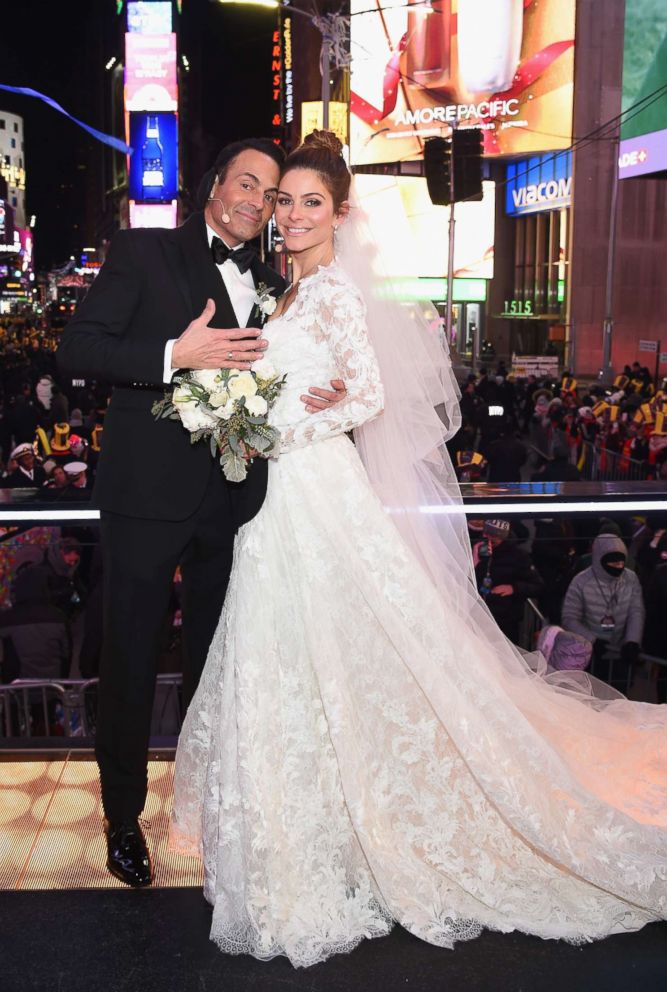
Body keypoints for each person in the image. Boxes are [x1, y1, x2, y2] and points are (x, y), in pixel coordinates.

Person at [172, 133, 667, 967]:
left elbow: (364, 392)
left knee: (337, 651)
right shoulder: (282, 294)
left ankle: (348, 839)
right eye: (283, 202)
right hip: (280, 501)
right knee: (296, 657)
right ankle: (317, 833)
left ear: (339, 214)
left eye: (309, 203)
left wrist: (264, 430)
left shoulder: (329, 294)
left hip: (313, 490)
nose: (290, 216)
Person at [57, 137, 348, 888]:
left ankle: (203, 808)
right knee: (128, 661)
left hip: (237, 505)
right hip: (145, 500)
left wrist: (332, 396)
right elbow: (79, 348)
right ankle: (123, 819)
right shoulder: (143, 250)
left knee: (218, 670)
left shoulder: (273, 278)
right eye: (247, 183)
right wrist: (171, 355)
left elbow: (284, 373)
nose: (258, 201)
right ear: (216, 185)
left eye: (272, 192)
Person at [562, 533, 645, 689]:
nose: (619, 566)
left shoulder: (631, 578)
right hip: (590, 655)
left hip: (620, 654)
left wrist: (632, 641)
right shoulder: (581, 581)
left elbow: (636, 611)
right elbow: (569, 617)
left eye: (622, 562)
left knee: (620, 698)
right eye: (613, 563)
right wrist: (592, 640)